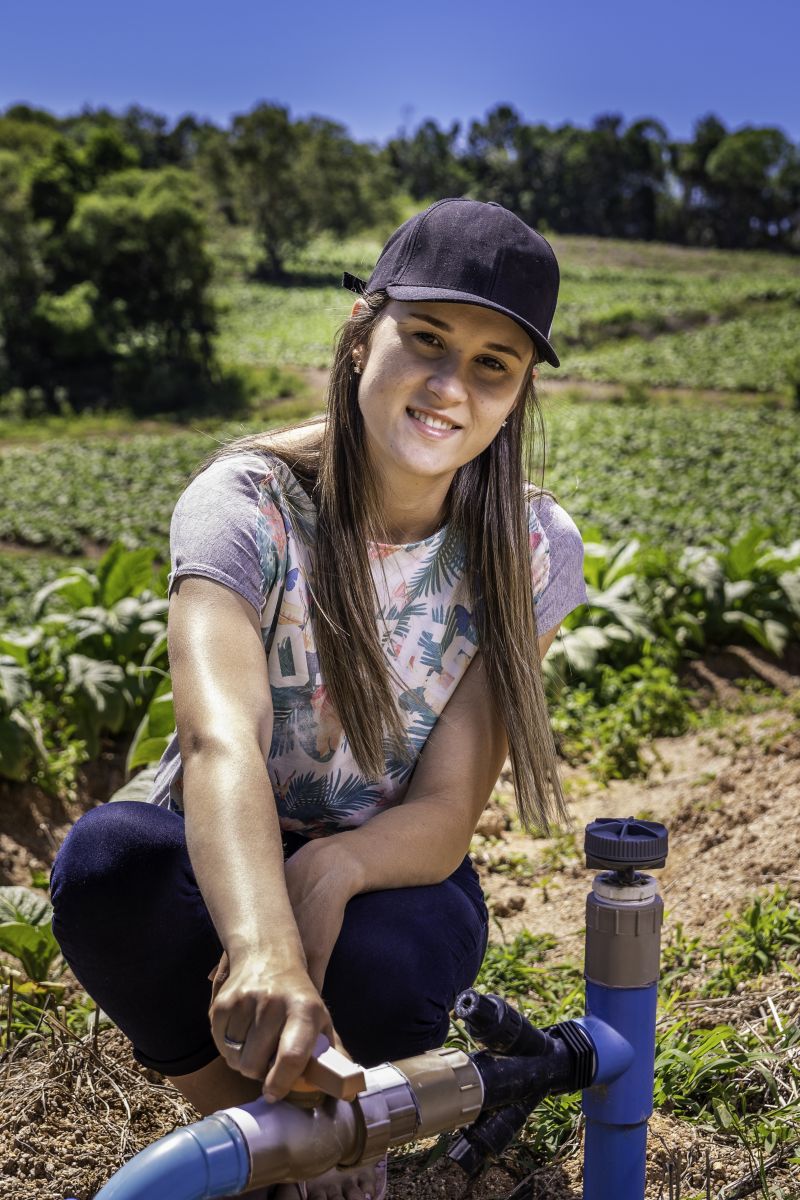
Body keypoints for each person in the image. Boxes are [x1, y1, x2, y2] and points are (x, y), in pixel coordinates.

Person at [50, 197, 589, 1200]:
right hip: (218, 848)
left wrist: (332, 870)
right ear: (359, 338)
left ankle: (327, 1139)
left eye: (490, 364)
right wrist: (260, 946)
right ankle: (263, 1143)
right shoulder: (245, 503)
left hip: (388, 869)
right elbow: (222, 741)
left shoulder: (530, 552)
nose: (447, 386)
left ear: (516, 394)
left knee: (403, 957)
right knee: (108, 868)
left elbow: (441, 813)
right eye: (424, 340)